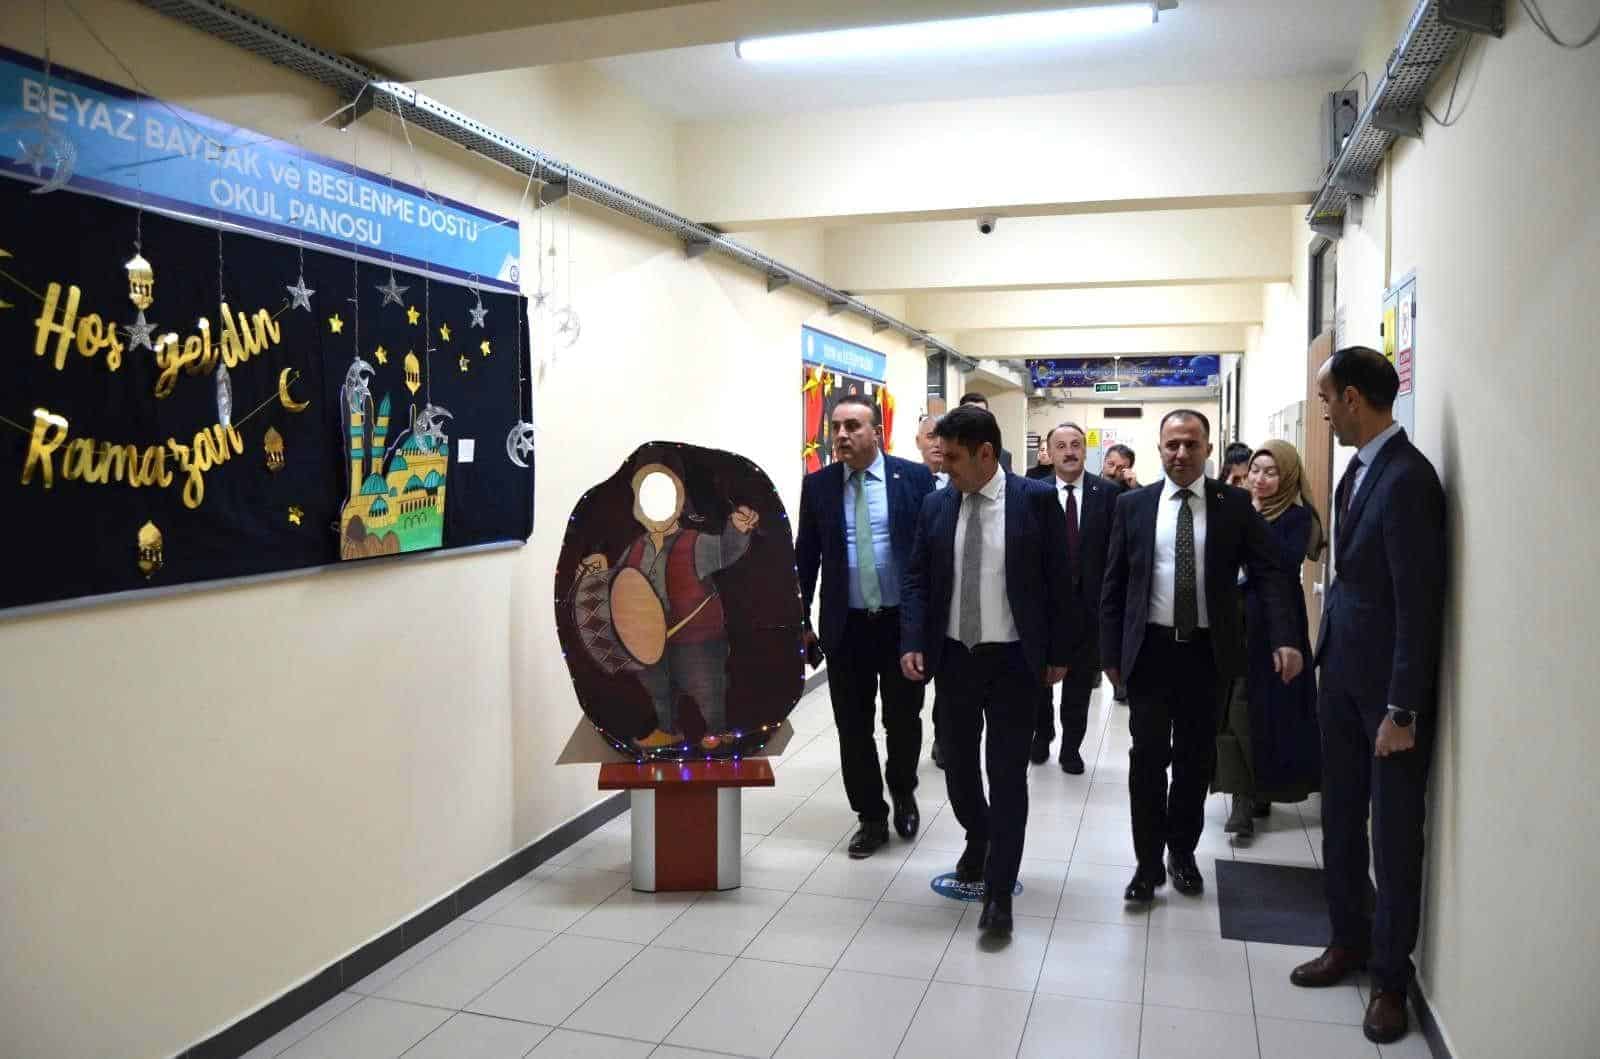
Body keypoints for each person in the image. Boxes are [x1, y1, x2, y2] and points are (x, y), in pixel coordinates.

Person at [1290, 347, 1445, 1046]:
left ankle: (1389, 980)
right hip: (1342, 682)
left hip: (1387, 702)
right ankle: (1346, 940)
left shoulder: (1409, 478)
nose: (1324, 411)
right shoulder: (1357, 471)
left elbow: (1418, 603)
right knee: (1341, 822)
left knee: (1395, 837)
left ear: (1353, 398)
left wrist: (1402, 708)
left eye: (1327, 399)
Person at [1101, 409, 1302, 902]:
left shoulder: (1234, 505)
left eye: (1191, 444)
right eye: (1172, 444)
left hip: (1208, 655)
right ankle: (1147, 864)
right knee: (1147, 760)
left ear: (1208, 450)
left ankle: (1182, 853)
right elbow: (1115, 584)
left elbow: (1270, 573)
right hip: (1149, 652)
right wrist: (1109, 652)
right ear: (1160, 448)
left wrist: (1285, 636)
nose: (1181, 453)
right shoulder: (1133, 505)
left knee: (1195, 761)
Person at [900, 405, 1077, 938]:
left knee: (1006, 774)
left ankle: (999, 893)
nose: (943, 465)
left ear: (985, 453)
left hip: (1014, 661)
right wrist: (913, 640)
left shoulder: (1035, 501)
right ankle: (980, 834)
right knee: (957, 767)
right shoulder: (937, 504)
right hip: (955, 657)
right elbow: (917, 578)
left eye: (953, 457)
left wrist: (1060, 651)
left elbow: (1060, 580)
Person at [797, 395, 936, 858]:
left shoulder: (913, 479)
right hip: (847, 627)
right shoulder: (818, 486)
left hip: (901, 626)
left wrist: (928, 626)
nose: (841, 435)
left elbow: (931, 557)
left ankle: (903, 789)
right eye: (835, 427)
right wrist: (801, 622)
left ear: (877, 432)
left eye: (853, 426)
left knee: (903, 720)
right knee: (852, 727)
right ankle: (870, 816)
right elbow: (806, 558)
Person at [577, 459, 760, 752]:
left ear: (678, 501)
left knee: (705, 684)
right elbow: (620, 584)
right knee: (658, 688)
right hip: (650, 641)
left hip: (697, 637)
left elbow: (726, 551)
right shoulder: (635, 547)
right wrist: (597, 573)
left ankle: (717, 729)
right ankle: (667, 729)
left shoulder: (694, 543)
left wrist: (736, 531)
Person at [1214, 441, 1325, 837]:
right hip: (1237, 620)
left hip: (1277, 624)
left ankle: (1262, 789)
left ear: (1288, 476)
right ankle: (1242, 796)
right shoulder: (1240, 509)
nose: (1259, 479)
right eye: (1255, 471)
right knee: (1237, 707)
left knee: (1272, 710)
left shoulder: (1298, 517)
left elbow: (1280, 561)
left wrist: (1250, 517)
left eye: (1270, 472)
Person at [1031, 422, 1122, 773]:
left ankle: (1071, 747)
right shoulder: (1032, 492)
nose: (1069, 452)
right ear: (1050, 453)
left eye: (1075, 445)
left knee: (1080, 684)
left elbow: (1116, 552)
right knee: (1039, 680)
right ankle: (1042, 736)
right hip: (1044, 608)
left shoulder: (1108, 494)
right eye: (1061, 446)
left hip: (1089, 608)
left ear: (1085, 450)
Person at [956, 393, 1014, 472]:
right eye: (970, 413)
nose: (975, 418)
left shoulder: (1003, 456)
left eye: (981, 413)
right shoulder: (945, 450)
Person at [914, 414, 949, 489]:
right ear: (918, 441)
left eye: (944, 437)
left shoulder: (961, 481)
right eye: (931, 436)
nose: (938, 444)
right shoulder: (907, 480)